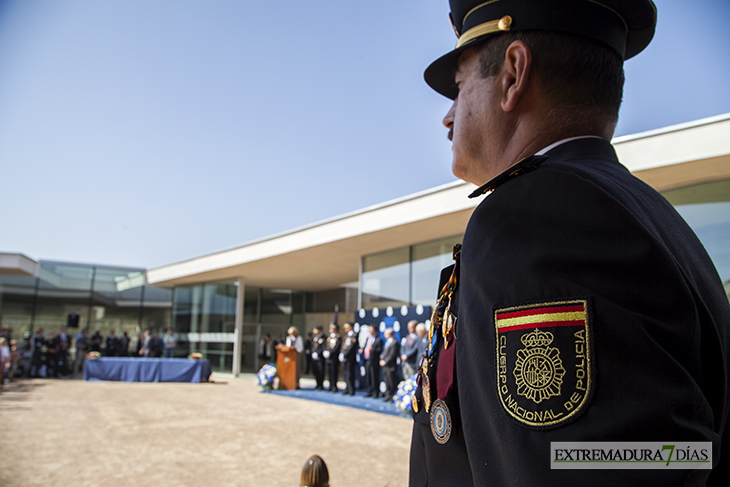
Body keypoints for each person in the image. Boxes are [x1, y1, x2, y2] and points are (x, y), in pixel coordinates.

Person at [409, 1, 730, 485]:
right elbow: (663, 455)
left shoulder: (537, 216)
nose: (448, 118)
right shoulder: (644, 211)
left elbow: (580, 465)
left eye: (459, 87)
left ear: (513, 75)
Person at [360, 325, 383, 398]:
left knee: (374, 377)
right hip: (367, 360)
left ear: (375, 330)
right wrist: (362, 349)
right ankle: (369, 391)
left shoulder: (378, 339)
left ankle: (375, 392)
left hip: (374, 361)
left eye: (371, 330)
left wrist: (373, 350)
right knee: (368, 376)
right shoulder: (368, 338)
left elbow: (380, 350)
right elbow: (365, 346)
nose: (370, 331)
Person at [379, 328, 400, 402]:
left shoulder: (394, 342)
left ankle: (392, 396)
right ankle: (387, 395)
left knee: (391, 381)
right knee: (387, 381)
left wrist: (385, 361)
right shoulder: (387, 342)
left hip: (391, 366)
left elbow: (392, 355)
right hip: (385, 366)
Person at [339, 323, 358, 395]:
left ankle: (351, 389)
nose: (345, 329)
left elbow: (352, 347)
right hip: (345, 357)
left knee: (350, 373)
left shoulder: (354, 335)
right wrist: (341, 353)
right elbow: (344, 345)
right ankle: (347, 388)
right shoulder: (347, 335)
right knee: (345, 373)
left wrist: (345, 355)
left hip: (350, 357)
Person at [323, 323, 341, 392]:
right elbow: (326, 345)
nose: (330, 330)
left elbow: (337, 347)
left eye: (332, 328)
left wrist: (330, 353)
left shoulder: (338, 337)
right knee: (329, 372)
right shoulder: (329, 337)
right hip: (328, 358)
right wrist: (325, 351)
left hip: (334, 358)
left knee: (334, 372)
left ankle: (334, 386)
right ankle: (330, 385)